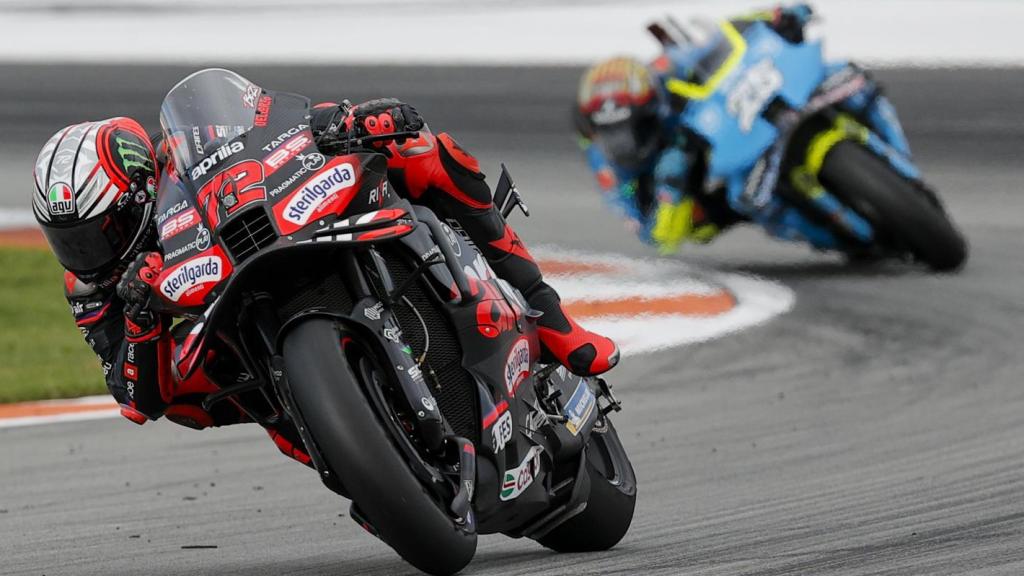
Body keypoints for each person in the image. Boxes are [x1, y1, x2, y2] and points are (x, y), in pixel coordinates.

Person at [31, 86, 618, 450]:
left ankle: (551, 316)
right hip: (223, 324)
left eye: (97, 232)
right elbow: (134, 397)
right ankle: (329, 437)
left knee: (423, 150)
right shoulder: (91, 286)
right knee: (183, 397)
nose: (90, 255)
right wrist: (140, 315)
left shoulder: (182, 152)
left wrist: (348, 120)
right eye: (71, 242)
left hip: (280, 236)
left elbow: (271, 124)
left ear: (137, 194)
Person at [574, 4, 913, 254]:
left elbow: (723, 37)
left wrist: (778, 17)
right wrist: (671, 187)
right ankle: (840, 240)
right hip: (706, 183)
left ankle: (904, 163)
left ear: (654, 107)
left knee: (849, 76)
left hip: (736, 118)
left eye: (634, 128)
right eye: (612, 134)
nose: (625, 143)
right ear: (594, 130)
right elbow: (655, 236)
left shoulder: (663, 72)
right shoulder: (607, 167)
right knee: (746, 200)